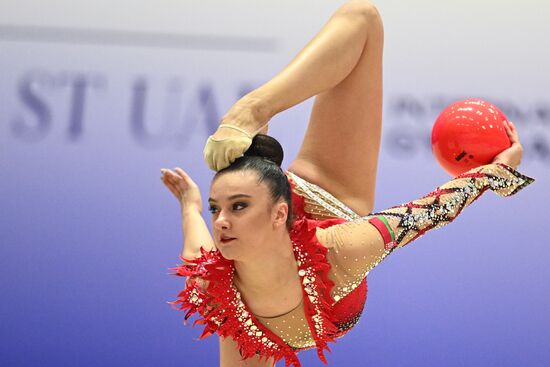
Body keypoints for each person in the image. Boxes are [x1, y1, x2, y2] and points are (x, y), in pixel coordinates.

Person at [160, 1, 534, 366]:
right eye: (216, 209)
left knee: (362, 16)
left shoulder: (338, 250)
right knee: (363, 19)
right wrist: (191, 205)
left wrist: (497, 173)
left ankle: (254, 110)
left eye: (236, 206)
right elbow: (197, 247)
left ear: (279, 213)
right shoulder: (219, 293)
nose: (220, 221)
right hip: (277, 295)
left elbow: (431, 211)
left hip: (321, 198)